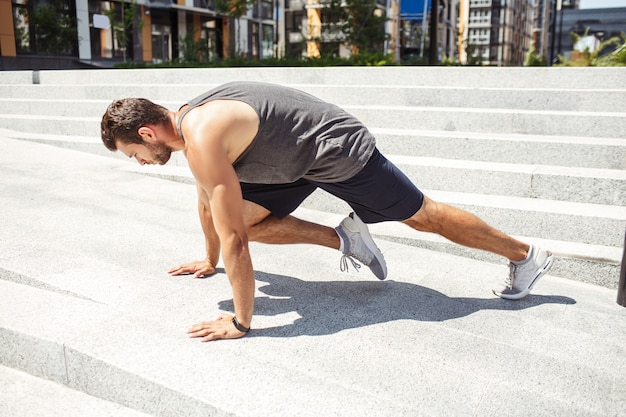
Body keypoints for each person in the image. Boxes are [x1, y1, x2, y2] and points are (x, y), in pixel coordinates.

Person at [100, 81, 554, 342]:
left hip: (339, 150)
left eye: (132, 152)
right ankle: (345, 238)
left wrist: (241, 322)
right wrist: (210, 260)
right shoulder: (190, 124)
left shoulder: (200, 139)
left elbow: (233, 234)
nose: (138, 162)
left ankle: (524, 254)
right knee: (248, 217)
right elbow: (209, 204)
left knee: (422, 215)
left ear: (147, 132)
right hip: (294, 157)